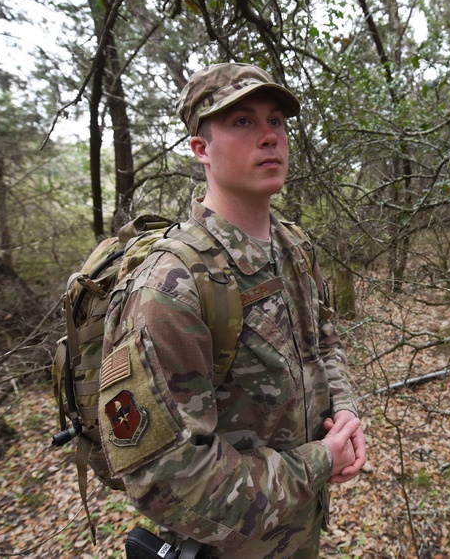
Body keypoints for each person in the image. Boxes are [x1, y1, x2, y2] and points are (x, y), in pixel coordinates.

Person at [97, 63, 367, 558]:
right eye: (242, 122)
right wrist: (318, 463)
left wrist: (344, 415)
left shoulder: (294, 248)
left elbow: (324, 341)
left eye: (276, 121)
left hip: (299, 532)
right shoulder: (171, 285)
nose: (269, 136)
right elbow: (168, 479)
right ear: (200, 149)